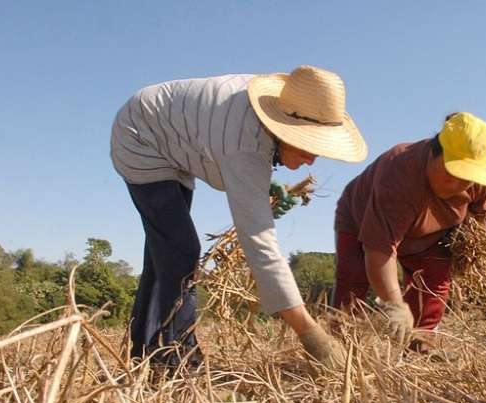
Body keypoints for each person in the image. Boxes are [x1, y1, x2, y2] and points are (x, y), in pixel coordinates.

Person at [110, 65, 368, 369]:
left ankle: (147, 355)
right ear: (283, 126)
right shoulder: (243, 143)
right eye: (308, 145)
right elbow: (260, 244)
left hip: (171, 133)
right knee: (180, 251)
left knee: (164, 254)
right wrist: (311, 334)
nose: (312, 158)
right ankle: (179, 361)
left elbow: (240, 154)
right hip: (141, 136)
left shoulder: (274, 111)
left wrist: (262, 183)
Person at [332, 112, 486, 346]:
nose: (459, 185)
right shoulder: (399, 172)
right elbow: (380, 250)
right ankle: (341, 345)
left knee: (434, 282)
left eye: (467, 178)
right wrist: (395, 305)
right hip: (360, 220)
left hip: (429, 233)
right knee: (353, 278)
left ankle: (420, 344)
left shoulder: (480, 182)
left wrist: (467, 243)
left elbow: (481, 214)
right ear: (433, 152)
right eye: (452, 173)